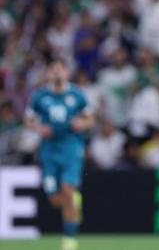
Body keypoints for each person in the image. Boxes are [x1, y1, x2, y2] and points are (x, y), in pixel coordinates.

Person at [24, 59, 94, 250]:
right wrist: (38, 128)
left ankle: (70, 239)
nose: (56, 73)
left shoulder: (76, 95)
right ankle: (72, 200)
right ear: (48, 73)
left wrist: (82, 124)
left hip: (71, 147)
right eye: (53, 70)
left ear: (66, 72)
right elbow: (28, 119)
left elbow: (90, 118)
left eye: (59, 70)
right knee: (55, 199)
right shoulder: (39, 96)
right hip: (49, 149)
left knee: (67, 189)